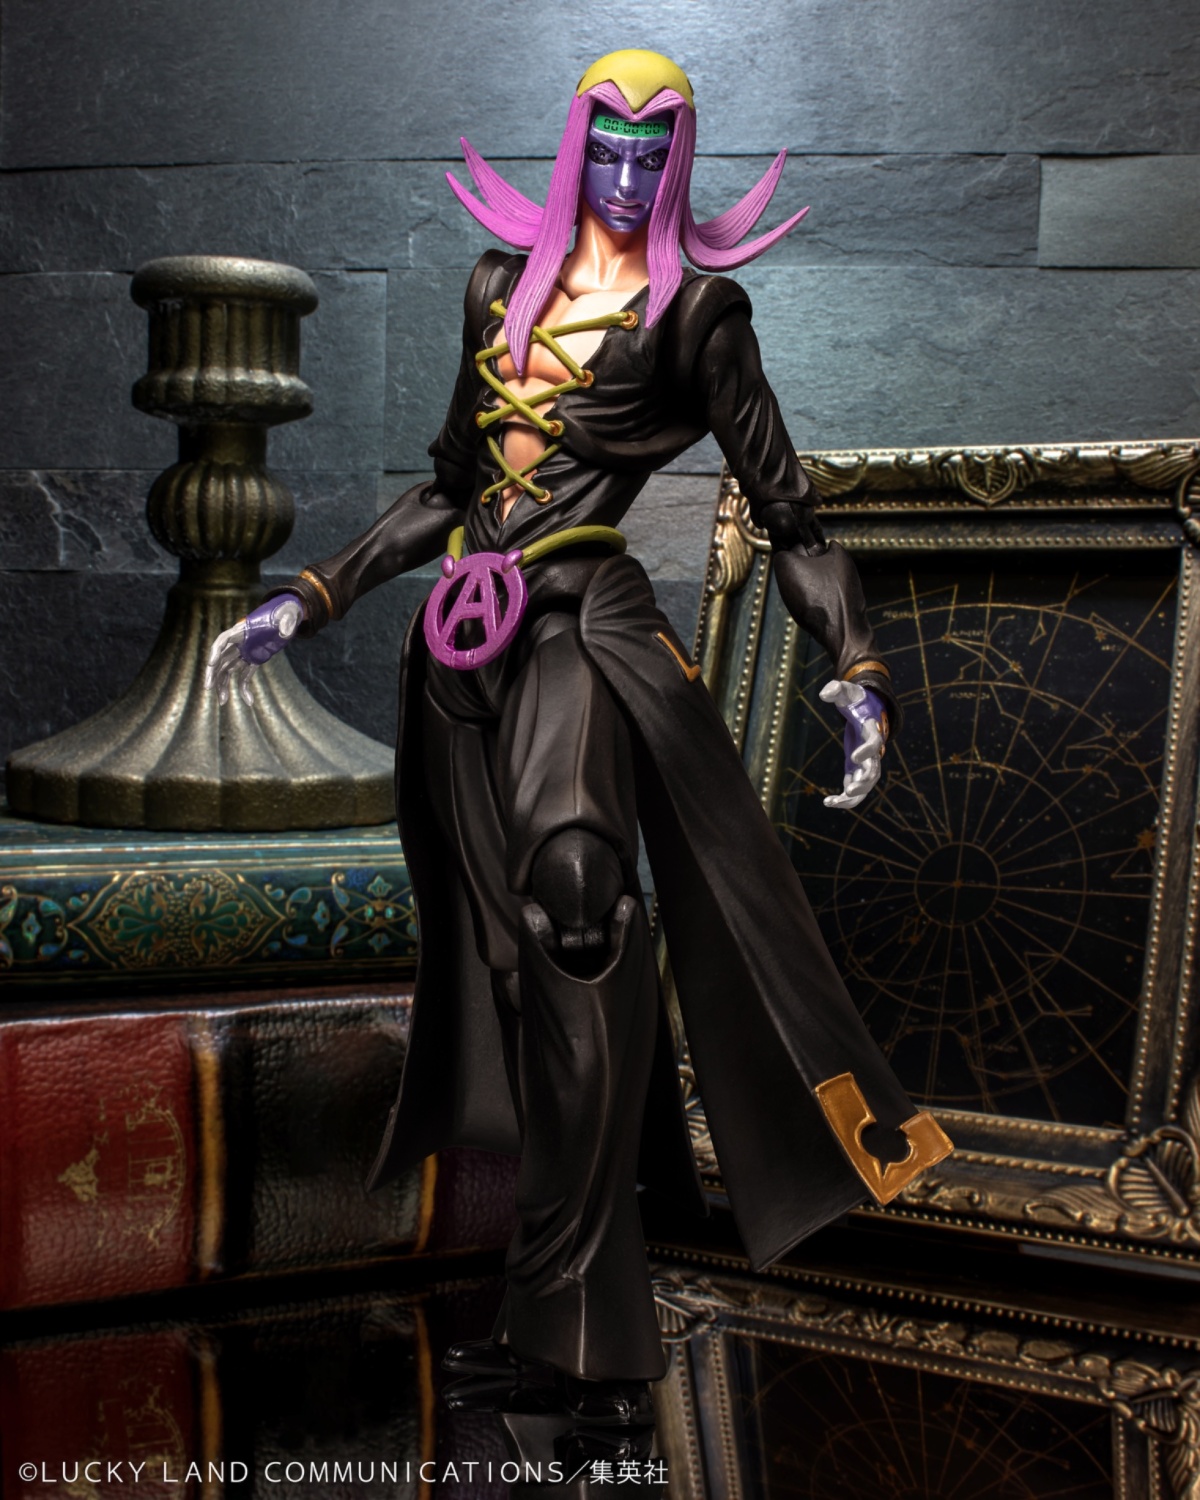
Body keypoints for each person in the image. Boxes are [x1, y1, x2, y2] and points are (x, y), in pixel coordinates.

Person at [208, 49, 951, 1425]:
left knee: (581, 910)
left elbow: (790, 515)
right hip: (459, 648)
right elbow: (448, 486)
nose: (625, 173)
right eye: (606, 145)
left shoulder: (698, 317)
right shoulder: (499, 288)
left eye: (651, 153)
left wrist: (858, 667)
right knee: (509, 974)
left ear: (679, 161)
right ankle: (558, 1306)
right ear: (573, 146)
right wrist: (313, 594)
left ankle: (586, 1333)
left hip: (581, 632)